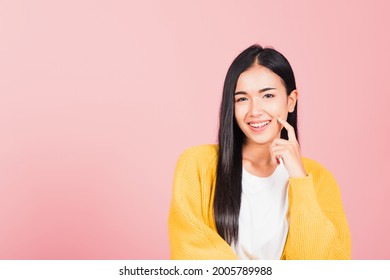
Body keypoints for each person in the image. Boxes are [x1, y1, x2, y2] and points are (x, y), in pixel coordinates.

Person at [168, 44, 351, 260]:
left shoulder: (319, 179)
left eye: (268, 96)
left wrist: (300, 180)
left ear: (290, 101)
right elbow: (190, 250)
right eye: (242, 99)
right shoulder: (196, 165)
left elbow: (325, 264)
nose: (255, 111)